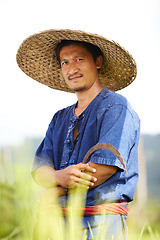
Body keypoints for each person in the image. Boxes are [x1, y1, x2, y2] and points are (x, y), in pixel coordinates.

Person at [16, 29, 140, 239]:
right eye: (64, 62)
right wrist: (57, 176)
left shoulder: (117, 108)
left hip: (99, 224)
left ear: (98, 62)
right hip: (55, 226)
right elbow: (40, 170)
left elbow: (104, 167)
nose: (71, 68)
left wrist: (56, 188)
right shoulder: (59, 118)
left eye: (79, 59)